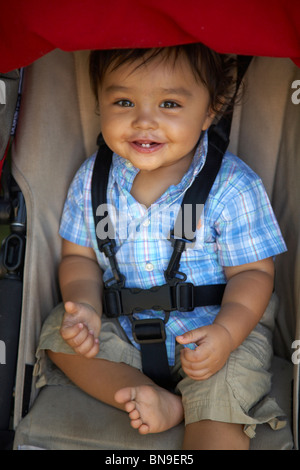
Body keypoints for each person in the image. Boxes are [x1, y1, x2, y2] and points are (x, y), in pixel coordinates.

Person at [36, 43, 287, 450]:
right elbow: (79, 257)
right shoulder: (92, 180)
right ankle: (152, 397)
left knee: (221, 398)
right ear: (100, 100)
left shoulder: (232, 186)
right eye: (123, 101)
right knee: (58, 336)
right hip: (125, 330)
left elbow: (254, 274)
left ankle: (196, 412)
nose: (143, 121)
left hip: (214, 334)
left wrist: (226, 331)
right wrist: (85, 307)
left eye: (169, 103)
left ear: (211, 108)